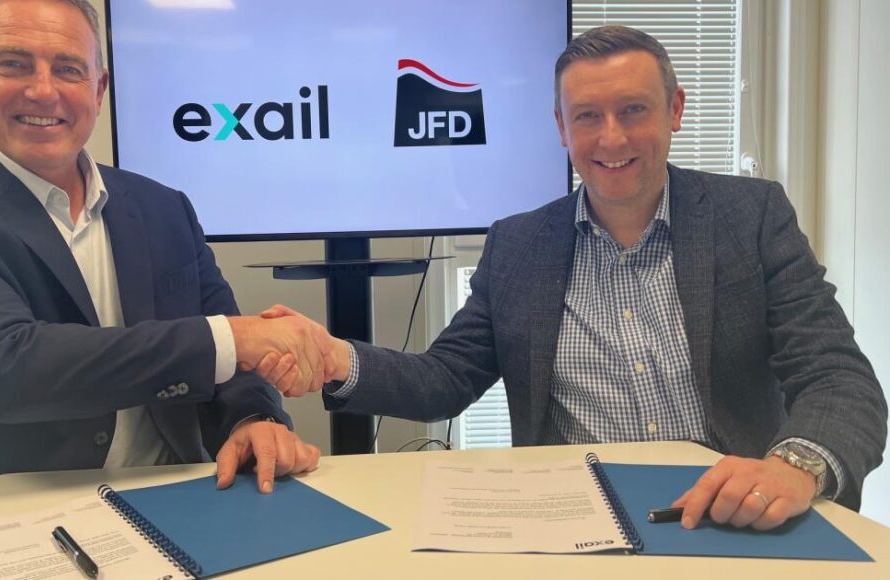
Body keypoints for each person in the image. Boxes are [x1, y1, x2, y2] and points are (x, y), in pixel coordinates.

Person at [255, 26, 887, 531]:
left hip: (731, 512)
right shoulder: (520, 243)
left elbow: (838, 377)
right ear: (561, 127)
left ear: (675, 110)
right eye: (587, 116)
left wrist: (793, 465)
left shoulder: (751, 216)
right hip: (574, 521)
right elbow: (444, 380)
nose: (611, 138)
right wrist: (336, 357)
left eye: (634, 109)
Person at [0, 0, 334, 541]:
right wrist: (235, 337)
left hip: (181, 508)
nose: (43, 91)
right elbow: (11, 372)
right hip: (2, 525)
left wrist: (253, 419)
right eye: (15, 64)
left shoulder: (165, 208)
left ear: (99, 86)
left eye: (68, 68)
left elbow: (230, 361)